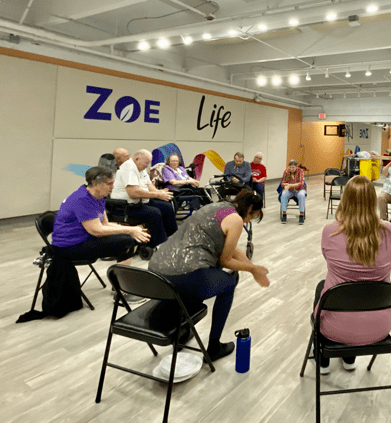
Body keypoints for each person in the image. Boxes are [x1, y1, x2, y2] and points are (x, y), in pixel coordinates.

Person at [148, 190, 269, 362]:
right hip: (182, 275)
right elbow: (226, 260)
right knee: (228, 281)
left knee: (204, 279)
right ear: (249, 208)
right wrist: (252, 271)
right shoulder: (236, 220)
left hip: (156, 271)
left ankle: (182, 328)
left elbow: (230, 247)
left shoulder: (218, 207)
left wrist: (253, 267)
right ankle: (214, 346)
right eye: (253, 215)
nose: (249, 221)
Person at [313, 175, 391, 374]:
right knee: (358, 291)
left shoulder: (330, 232)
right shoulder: (389, 233)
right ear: (373, 200)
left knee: (323, 288)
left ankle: (323, 358)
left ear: (345, 199)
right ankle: (349, 358)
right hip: (380, 326)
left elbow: (329, 261)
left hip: (336, 327)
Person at [52, 167, 151, 304]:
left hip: (82, 240)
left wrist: (132, 229)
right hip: (69, 248)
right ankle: (120, 292)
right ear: (96, 183)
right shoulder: (82, 199)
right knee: (126, 242)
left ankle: (119, 284)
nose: (113, 186)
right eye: (109, 183)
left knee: (130, 239)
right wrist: (129, 231)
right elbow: (96, 231)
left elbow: (105, 224)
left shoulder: (98, 197)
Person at [111, 149, 177, 247]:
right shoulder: (129, 167)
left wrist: (160, 192)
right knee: (154, 213)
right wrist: (158, 195)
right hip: (125, 207)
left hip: (140, 202)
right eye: (146, 163)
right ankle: (158, 244)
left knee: (167, 207)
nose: (147, 165)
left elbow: (149, 186)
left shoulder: (141, 168)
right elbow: (133, 192)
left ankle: (173, 238)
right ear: (137, 159)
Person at [280, 159, 306, 225]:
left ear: (296, 167)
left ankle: (301, 215)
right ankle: (284, 214)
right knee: (284, 194)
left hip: (299, 189)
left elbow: (301, 184)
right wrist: (285, 185)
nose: (291, 169)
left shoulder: (300, 171)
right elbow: (282, 183)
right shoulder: (286, 172)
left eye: (293, 167)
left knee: (301, 195)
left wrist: (290, 185)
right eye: (290, 167)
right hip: (290, 190)